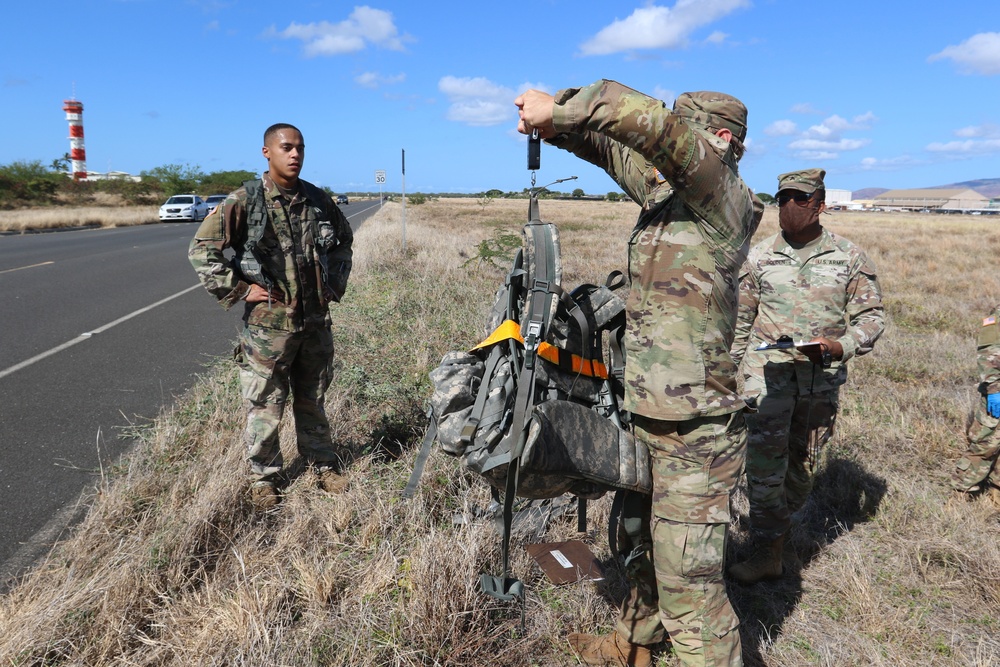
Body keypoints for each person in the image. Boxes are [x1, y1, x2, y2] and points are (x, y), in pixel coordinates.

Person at [516, 81, 763, 667]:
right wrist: (560, 124)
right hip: (646, 411)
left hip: (697, 432)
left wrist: (573, 106)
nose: (675, 138)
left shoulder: (726, 199)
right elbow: (618, 149)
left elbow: (655, 131)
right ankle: (632, 646)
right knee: (639, 546)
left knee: (692, 592)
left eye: (689, 125)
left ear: (721, 140)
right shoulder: (668, 195)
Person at [728, 168, 884, 584]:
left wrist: (842, 346)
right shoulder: (759, 257)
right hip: (766, 380)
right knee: (763, 466)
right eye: (783, 200)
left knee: (803, 466)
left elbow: (872, 317)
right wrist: (727, 372)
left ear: (819, 204)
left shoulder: (849, 257)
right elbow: (740, 321)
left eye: (799, 200)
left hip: (820, 382)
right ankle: (767, 550)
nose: (789, 208)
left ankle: (777, 526)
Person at [189, 123, 353, 510]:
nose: (294, 154)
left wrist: (335, 284)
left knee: (313, 398)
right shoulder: (245, 200)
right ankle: (264, 477)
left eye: (300, 148)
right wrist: (241, 290)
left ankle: (322, 465)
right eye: (286, 147)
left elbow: (343, 242)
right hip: (267, 329)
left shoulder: (317, 199)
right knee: (265, 403)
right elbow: (201, 250)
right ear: (267, 152)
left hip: (314, 321)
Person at [951, 306, 1000, 501]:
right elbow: (988, 355)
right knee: (986, 443)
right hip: (997, 390)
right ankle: (961, 491)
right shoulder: (996, 318)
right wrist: (995, 390)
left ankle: (996, 491)